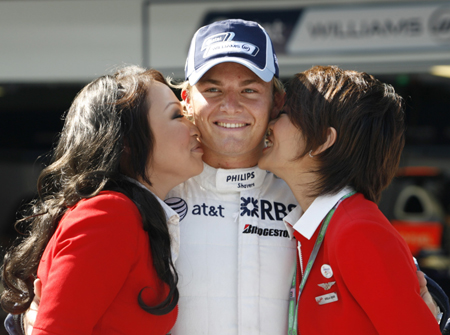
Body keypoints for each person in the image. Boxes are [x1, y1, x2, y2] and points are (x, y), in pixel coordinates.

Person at [12, 19, 448, 335]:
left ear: (276, 100)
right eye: (213, 89)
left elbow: (391, 285)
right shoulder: (147, 199)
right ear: (186, 98)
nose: (231, 106)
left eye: (250, 90)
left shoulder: (311, 193)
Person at [0, 65, 204, 334]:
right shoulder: (110, 214)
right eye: (177, 115)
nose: (194, 125)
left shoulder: (130, 214)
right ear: (128, 142)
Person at [258, 65, 442, 334]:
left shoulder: (357, 229)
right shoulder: (329, 226)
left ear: (321, 141)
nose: (269, 124)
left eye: (283, 114)